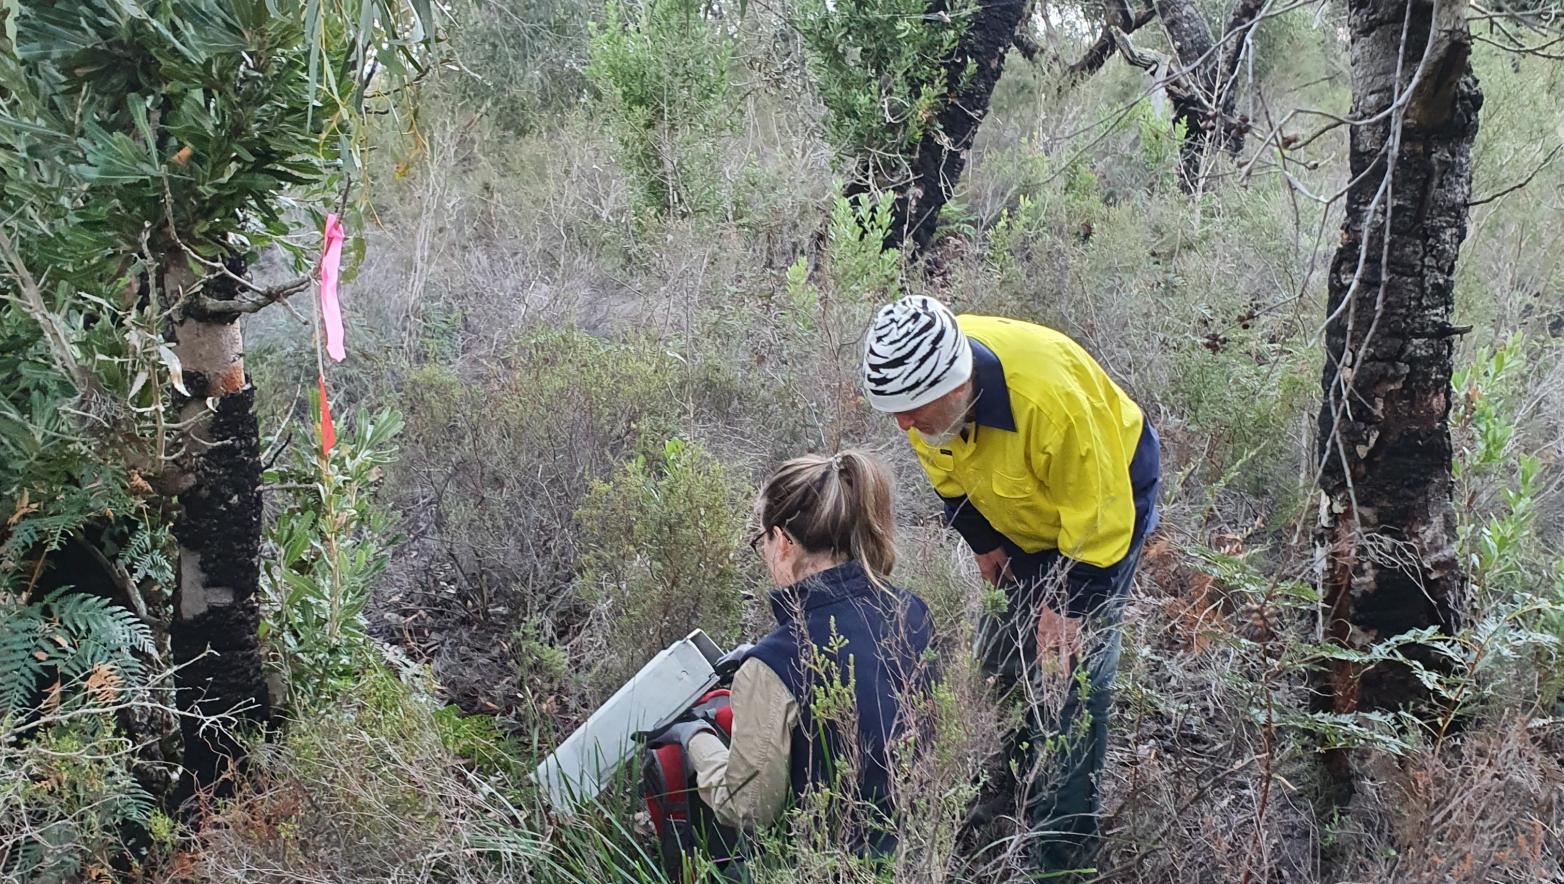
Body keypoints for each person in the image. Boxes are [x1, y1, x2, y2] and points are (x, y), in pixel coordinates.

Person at [860, 295, 1159, 871]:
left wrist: (1068, 608)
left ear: (956, 381)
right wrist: (982, 541)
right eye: (892, 410)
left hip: (1102, 509)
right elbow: (943, 465)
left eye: (912, 409)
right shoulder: (921, 390)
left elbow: (1098, 521)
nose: (902, 424)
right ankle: (1006, 782)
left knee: (1067, 681)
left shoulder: (1051, 404)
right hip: (1019, 508)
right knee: (998, 655)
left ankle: (1062, 853)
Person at [664, 450, 934, 858]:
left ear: (784, 542)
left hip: (829, 864)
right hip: (920, 853)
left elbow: (750, 807)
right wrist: (764, 655)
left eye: (763, 542)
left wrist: (693, 737)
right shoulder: (911, 609)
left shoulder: (774, 665)